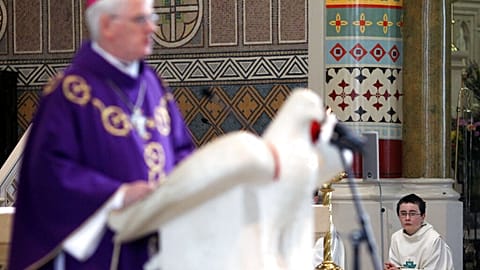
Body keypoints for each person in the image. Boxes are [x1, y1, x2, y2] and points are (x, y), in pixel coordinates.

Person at [8, 0, 195, 269]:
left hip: (157, 243)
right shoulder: (69, 93)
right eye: (141, 19)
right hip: (100, 251)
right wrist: (118, 195)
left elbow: (181, 150)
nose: (152, 28)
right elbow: (49, 175)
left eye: (152, 17)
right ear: (108, 25)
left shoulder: (153, 85)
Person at [384, 194, 454, 270]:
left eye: (412, 214)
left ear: (423, 216)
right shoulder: (396, 238)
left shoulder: (433, 240)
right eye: (403, 214)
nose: (407, 218)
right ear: (398, 216)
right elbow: (394, 266)